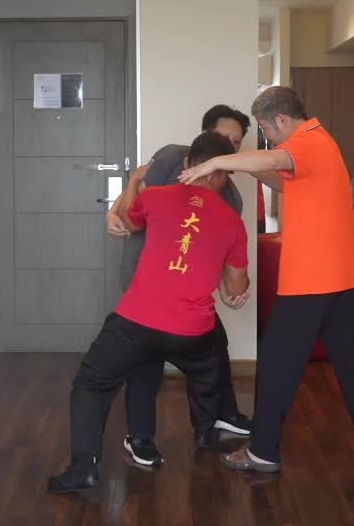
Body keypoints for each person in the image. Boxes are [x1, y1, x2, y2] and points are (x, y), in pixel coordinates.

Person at [179, 86, 354, 473]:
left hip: (311, 280)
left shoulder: (307, 142)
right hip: (343, 278)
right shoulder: (322, 143)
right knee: (350, 364)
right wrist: (242, 167)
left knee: (277, 365)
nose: (268, 137)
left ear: (281, 119)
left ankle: (262, 452)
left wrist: (216, 162)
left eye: (265, 128)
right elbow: (283, 179)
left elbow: (276, 157)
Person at [48, 132, 250, 493]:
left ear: (187, 164)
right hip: (192, 333)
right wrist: (232, 282)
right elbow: (235, 289)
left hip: (137, 322)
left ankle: (83, 470)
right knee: (209, 367)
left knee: (92, 382)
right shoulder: (233, 221)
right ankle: (206, 432)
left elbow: (128, 223)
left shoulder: (156, 196)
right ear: (223, 173)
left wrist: (134, 182)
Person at [105, 105, 253, 467]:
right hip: (144, 275)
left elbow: (221, 254)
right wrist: (113, 210)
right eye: (224, 137)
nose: (229, 147)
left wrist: (226, 290)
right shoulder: (173, 157)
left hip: (184, 291)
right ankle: (140, 437)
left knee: (214, 343)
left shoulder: (231, 198)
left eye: (236, 142)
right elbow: (138, 197)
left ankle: (219, 416)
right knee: (148, 358)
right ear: (203, 138)